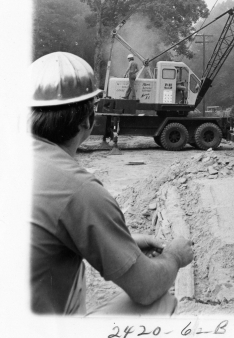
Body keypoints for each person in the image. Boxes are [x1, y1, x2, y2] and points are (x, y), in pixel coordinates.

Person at [29, 51, 193, 315]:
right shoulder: (80, 189)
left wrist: (121, 241)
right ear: (87, 120)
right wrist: (174, 256)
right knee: (160, 303)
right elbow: (146, 287)